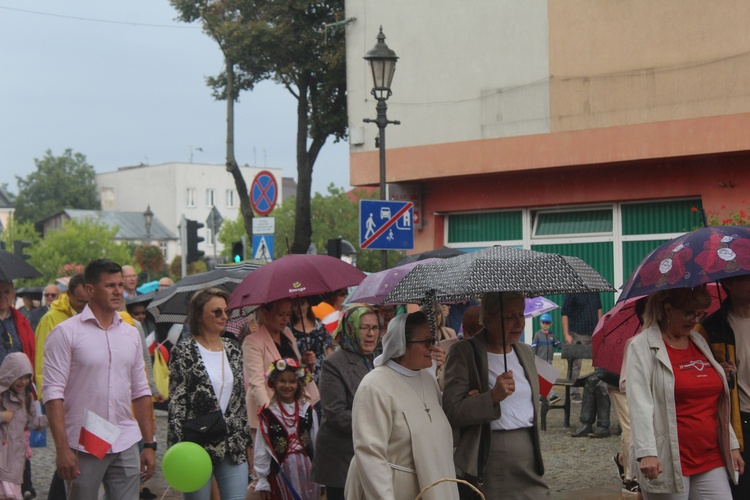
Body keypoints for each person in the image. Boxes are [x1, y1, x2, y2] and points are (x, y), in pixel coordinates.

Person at [43, 259, 155, 499]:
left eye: (120, 285)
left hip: (125, 437)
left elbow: (141, 390)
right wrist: (62, 449)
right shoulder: (65, 333)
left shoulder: (130, 333)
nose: (118, 291)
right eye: (110, 286)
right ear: (90, 290)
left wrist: (148, 443)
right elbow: (53, 394)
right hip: (83, 442)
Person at [627, 287, 744, 498]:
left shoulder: (698, 341)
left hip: (710, 455)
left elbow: (716, 403)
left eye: (700, 314)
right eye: (690, 313)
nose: (696, 320)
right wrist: (646, 453)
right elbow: (640, 404)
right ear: (668, 309)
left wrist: (732, 445)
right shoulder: (642, 346)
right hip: (669, 458)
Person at [443, 291, 550, 499]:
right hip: (491, 457)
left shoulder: (525, 352)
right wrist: (491, 397)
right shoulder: (465, 352)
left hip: (529, 453)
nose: (519, 323)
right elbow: (452, 411)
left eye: (521, 314)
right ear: (489, 319)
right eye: (509, 316)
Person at [345, 311, 459, 500]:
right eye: (426, 342)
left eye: (433, 340)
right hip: (395, 491)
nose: (432, 347)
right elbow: (370, 454)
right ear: (402, 345)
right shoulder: (374, 385)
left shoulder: (428, 379)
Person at [168, 287, 250, 499]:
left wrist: (246, 440)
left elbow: (239, 400)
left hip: (232, 443)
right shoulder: (184, 350)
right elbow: (177, 402)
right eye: (217, 312)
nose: (224, 317)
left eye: (226, 311)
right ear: (199, 315)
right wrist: (176, 449)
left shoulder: (233, 348)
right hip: (197, 444)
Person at [311, 305, 380, 500]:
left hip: (373, 455)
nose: (370, 334)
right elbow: (336, 414)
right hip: (342, 459)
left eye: (375, 328)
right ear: (350, 328)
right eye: (364, 327)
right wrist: (378, 425)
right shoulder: (334, 363)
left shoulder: (379, 360)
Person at [698, 274, 750, 499]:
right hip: (739, 420)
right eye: (747, 278)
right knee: (741, 488)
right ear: (727, 283)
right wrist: (717, 371)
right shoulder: (711, 328)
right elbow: (698, 376)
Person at [243, 299, 320, 433]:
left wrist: (304, 363)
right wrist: (271, 415)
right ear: (266, 313)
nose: (285, 319)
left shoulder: (288, 335)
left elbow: (296, 372)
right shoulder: (253, 342)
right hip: (270, 410)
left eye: (288, 314)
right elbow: (256, 383)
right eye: (280, 314)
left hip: (295, 407)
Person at [254, 358, 320, 499]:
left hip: (306, 468)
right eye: (282, 381)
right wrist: (262, 477)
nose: (287, 385)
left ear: (299, 384)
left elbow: (316, 442)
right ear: (275, 383)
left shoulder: (307, 410)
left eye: (292, 381)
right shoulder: (268, 413)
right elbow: (262, 447)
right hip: (281, 471)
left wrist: (320, 471)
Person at [0, 353, 47, 500]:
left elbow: (29, 422)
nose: (23, 382)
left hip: (15, 461)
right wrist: (2, 416)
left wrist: (50, 419)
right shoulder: (1, 396)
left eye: (26, 377)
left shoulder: (27, 398)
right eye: (19, 377)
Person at [562, 292, 602, 402]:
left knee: (599, 364)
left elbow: (599, 309)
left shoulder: (595, 291)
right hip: (578, 332)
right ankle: (574, 393)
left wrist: (599, 329)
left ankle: (599, 390)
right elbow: (564, 313)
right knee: (575, 365)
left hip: (594, 332)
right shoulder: (572, 291)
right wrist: (566, 334)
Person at [290, 298, 332, 384]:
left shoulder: (318, 324)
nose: (299, 308)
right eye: (295, 305)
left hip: (323, 374)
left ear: (308, 304)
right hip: (302, 376)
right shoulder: (289, 330)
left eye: (302, 303)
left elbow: (328, 349)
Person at [532, 313, 562, 403]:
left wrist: (565, 345)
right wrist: (533, 358)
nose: (545, 325)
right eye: (543, 323)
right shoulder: (537, 334)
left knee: (548, 378)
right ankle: (550, 395)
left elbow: (557, 344)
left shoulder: (552, 335)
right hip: (540, 360)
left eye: (547, 323)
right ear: (540, 323)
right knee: (545, 378)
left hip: (549, 360)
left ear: (551, 324)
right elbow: (533, 347)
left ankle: (543, 396)